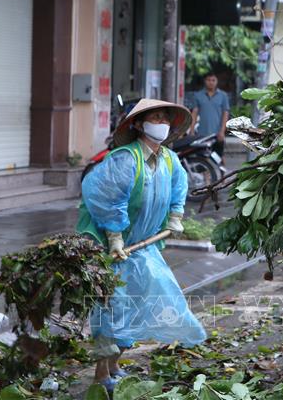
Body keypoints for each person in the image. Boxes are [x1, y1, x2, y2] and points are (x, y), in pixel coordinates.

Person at [76, 99, 207, 393]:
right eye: (155, 117)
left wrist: (175, 216)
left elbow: (179, 188)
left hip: (143, 249)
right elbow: (106, 198)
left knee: (143, 302)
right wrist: (114, 237)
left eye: (164, 118)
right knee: (112, 309)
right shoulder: (125, 159)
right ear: (137, 124)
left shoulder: (170, 160)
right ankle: (101, 375)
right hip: (115, 249)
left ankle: (115, 365)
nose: (161, 123)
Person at [189, 72, 230, 158]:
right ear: (205, 81)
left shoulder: (223, 96)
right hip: (201, 133)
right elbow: (194, 113)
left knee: (218, 158)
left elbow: (225, 114)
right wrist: (191, 130)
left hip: (217, 133)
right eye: (208, 80)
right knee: (203, 159)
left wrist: (222, 131)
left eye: (213, 80)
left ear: (217, 81)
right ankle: (206, 172)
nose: (211, 82)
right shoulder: (198, 95)